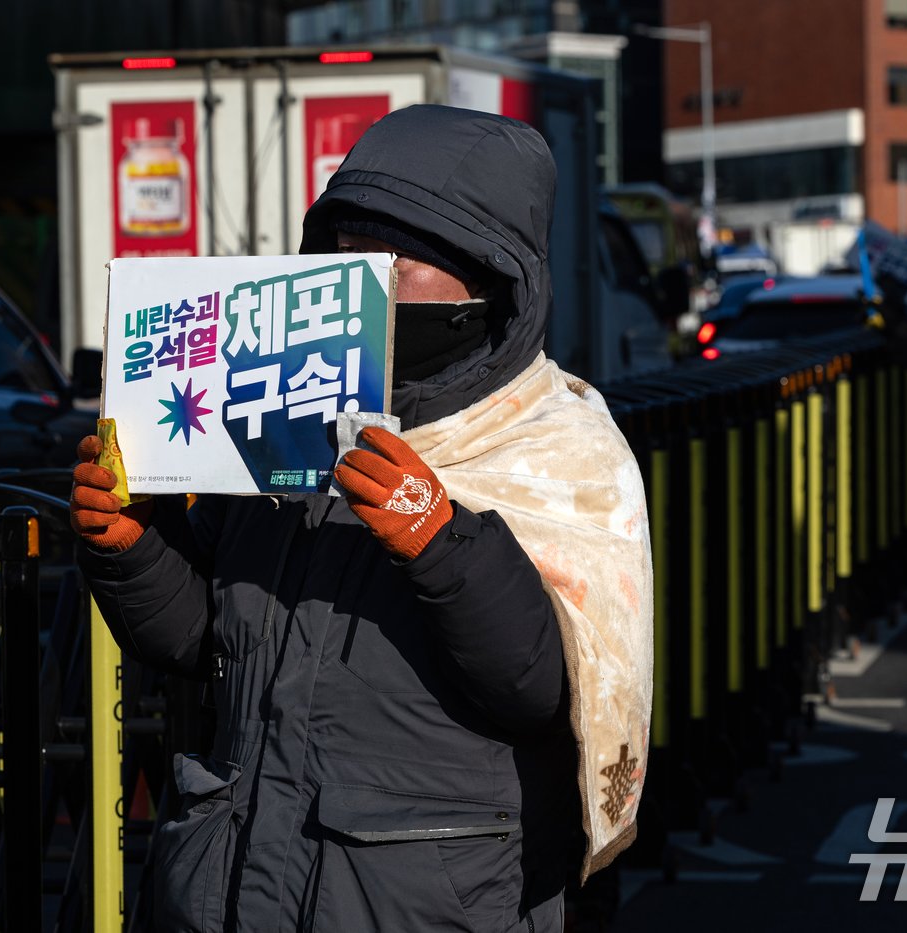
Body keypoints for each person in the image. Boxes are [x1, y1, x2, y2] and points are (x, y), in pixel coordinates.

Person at [69, 105, 653, 931]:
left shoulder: (552, 445)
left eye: (401, 255)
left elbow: (538, 689)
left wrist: (439, 539)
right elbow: (203, 642)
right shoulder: (281, 411)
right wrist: (131, 548)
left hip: (416, 903)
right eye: (345, 246)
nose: (364, 271)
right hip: (227, 888)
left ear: (489, 280)